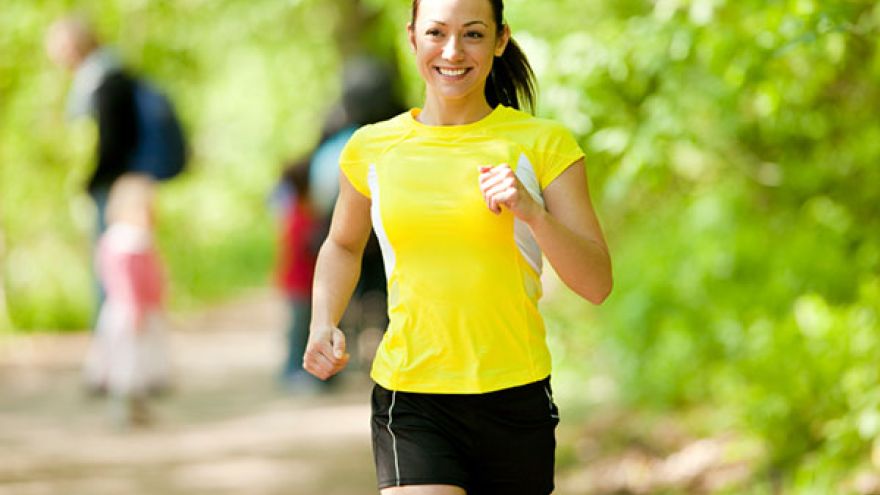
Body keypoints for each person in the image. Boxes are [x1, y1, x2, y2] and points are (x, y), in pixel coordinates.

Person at [304, 0, 613, 493]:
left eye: (472, 34)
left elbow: (597, 283)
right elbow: (341, 245)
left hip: (515, 396)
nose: (453, 51)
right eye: (436, 33)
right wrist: (323, 320)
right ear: (412, 38)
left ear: (500, 39)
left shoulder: (544, 144)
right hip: (412, 395)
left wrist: (533, 212)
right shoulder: (372, 147)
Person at [45, 16, 139, 314]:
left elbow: (111, 138)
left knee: (111, 262)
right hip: (118, 181)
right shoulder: (104, 73)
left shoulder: (103, 78)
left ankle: (114, 334)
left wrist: (95, 177)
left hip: (113, 185)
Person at [83, 173, 170, 427]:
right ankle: (124, 406)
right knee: (127, 359)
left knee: (141, 360)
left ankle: (138, 404)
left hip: (142, 309)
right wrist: (135, 308)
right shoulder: (124, 241)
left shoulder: (137, 240)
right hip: (129, 310)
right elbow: (122, 281)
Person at [273, 158, 324, 393]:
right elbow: (301, 248)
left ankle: (301, 371)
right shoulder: (299, 215)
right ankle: (293, 370)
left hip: (306, 283)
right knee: (299, 328)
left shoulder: (301, 211)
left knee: (302, 326)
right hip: (300, 283)